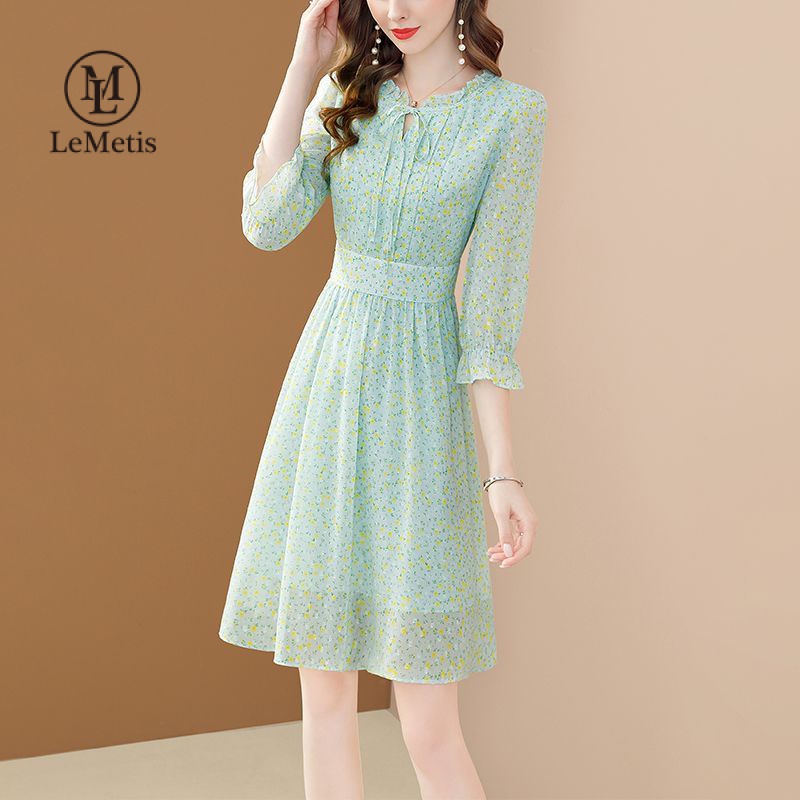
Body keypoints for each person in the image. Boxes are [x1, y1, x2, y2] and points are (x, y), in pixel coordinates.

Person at [219, 0, 547, 797]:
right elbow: (266, 222)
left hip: (423, 409)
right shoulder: (346, 95)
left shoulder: (511, 117)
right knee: (325, 698)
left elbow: (490, 314)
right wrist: (304, 66)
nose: (396, 8)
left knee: (428, 725)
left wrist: (502, 472)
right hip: (329, 394)